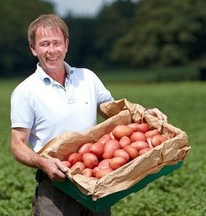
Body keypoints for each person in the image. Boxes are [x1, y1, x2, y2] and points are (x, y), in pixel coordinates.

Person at [10, 14, 167, 216]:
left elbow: (113, 111)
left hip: (95, 184)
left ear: (66, 45)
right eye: (44, 44)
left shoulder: (87, 78)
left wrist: (145, 114)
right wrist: (44, 163)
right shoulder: (26, 91)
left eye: (56, 43)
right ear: (33, 48)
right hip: (57, 187)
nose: (51, 51)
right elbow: (17, 145)